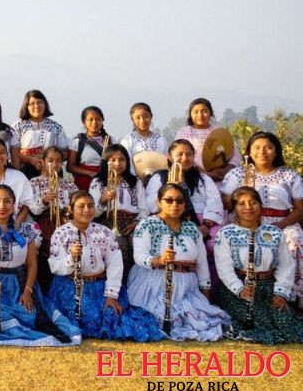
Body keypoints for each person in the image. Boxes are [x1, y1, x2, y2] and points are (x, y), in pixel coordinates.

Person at [0, 185, 81, 346]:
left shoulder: (26, 229)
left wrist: (28, 291)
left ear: (14, 205)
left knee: (28, 316)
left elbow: (32, 264)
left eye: (7, 201)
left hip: (20, 282)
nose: (2, 206)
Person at [46, 192, 163, 341]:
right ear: (70, 209)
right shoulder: (61, 233)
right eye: (81, 206)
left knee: (112, 316)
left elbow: (115, 264)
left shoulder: (104, 232)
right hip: (70, 287)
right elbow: (55, 266)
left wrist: (111, 295)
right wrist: (71, 259)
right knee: (82, 317)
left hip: (100, 287)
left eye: (90, 206)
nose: (86, 210)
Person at [127, 183, 229, 341]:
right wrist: (159, 260)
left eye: (180, 201)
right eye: (168, 200)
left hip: (188, 286)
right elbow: (139, 256)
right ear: (158, 202)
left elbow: (201, 263)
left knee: (205, 320)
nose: (175, 204)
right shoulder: (147, 224)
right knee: (157, 320)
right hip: (155, 282)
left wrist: (206, 293)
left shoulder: (192, 228)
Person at [220, 131, 303, 307]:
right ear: (249, 151)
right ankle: (242, 292)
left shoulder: (289, 175)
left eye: (268, 147)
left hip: (282, 223)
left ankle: (290, 296)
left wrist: (278, 226)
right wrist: (243, 189)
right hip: (243, 224)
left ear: (276, 151)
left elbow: (299, 208)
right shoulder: (237, 174)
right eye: (257, 148)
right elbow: (226, 203)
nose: (262, 152)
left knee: (294, 242)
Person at [214, 187, 303, 344]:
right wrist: (239, 289)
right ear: (234, 208)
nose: (248, 207)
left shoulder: (274, 233)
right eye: (242, 203)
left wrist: (280, 293)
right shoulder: (225, 233)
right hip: (236, 289)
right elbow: (224, 268)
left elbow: (286, 265)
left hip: (268, 287)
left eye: (253, 202)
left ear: (260, 206)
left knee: (285, 321)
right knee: (262, 320)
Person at [145, 139, 225, 279]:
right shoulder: (159, 177)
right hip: (167, 222)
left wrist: (206, 226)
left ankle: (212, 286)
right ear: (169, 157)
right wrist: (169, 187)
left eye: (189, 155)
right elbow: (152, 204)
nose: (184, 158)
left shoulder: (203, 178)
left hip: (202, 221)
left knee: (218, 243)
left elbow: (214, 202)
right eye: (180, 154)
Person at [89, 144, 148, 278]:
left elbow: (144, 209)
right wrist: (103, 200)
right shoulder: (98, 182)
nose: (118, 163)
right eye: (113, 160)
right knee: (119, 247)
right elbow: (93, 214)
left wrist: (137, 223)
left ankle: (137, 282)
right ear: (106, 162)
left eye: (122, 160)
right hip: (108, 223)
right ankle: (118, 284)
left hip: (134, 224)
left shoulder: (136, 182)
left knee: (141, 246)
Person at [28, 147, 79, 288]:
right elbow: (33, 210)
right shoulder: (34, 182)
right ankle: (46, 285)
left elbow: (76, 207)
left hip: (66, 221)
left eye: (58, 161)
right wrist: (44, 200)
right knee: (47, 247)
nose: (54, 164)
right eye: (50, 161)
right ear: (43, 162)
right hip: (44, 220)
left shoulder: (69, 184)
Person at [173, 98, 239, 181]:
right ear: (190, 115)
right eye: (196, 112)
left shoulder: (220, 132)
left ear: (210, 113)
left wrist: (224, 171)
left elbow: (234, 155)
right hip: (192, 178)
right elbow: (178, 156)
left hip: (220, 179)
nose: (200, 115)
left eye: (204, 111)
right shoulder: (183, 133)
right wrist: (207, 174)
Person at [11, 90, 69, 179]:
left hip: (51, 169)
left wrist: (51, 160)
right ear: (26, 106)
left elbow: (65, 152)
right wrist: (31, 160)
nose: (36, 106)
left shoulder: (56, 126)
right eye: (32, 103)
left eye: (40, 103)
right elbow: (12, 152)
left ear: (45, 104)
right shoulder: (18, 126)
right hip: (26, 169)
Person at [66, 106, 110, 190]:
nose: (94, 122)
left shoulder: (110, 140)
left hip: (105, 181)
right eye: (91, 119)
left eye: (98, 119)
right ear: (84, 121)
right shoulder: (78, 141)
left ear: (102, 120)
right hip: (84, 181)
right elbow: (70, 167)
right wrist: (89, 173)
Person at [119, 102, 168, 176]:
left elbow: (165, 163)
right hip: (135, 182)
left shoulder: (161, 140)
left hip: (159, 181)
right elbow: (127, 163)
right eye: (138, 118)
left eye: (145, 116)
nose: (142, 120)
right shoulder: (127, 141)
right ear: (132, 119)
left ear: (151, 117)